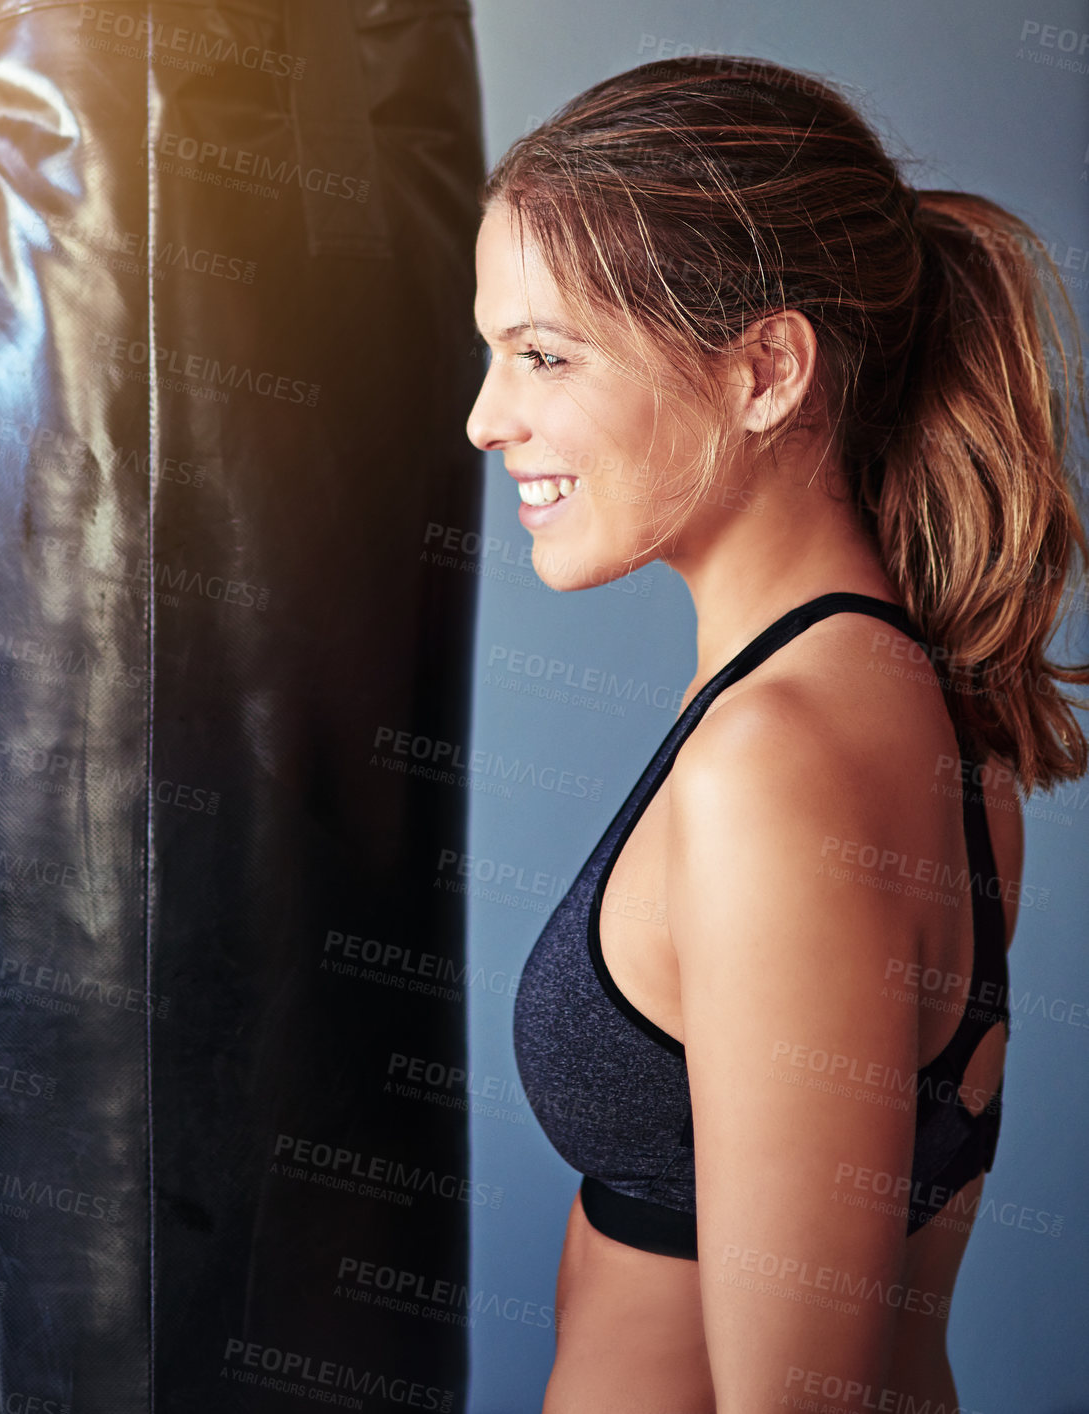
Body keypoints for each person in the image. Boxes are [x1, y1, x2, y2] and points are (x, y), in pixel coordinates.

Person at [466, 54, 1088, 1414]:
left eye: (543, 354)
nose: (485, 417)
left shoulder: (778, 761)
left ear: (763, 371)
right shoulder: (898, 695)